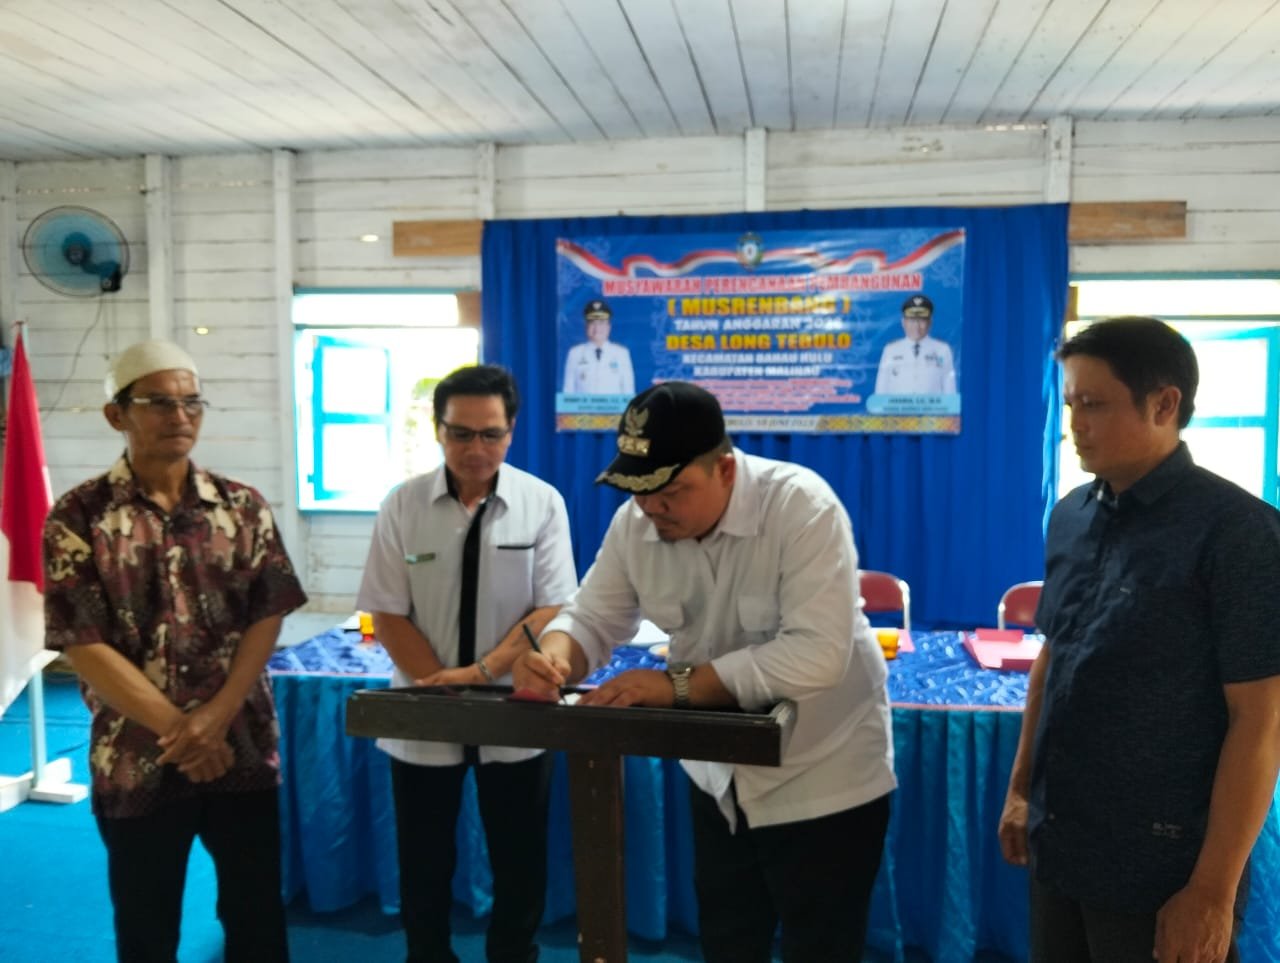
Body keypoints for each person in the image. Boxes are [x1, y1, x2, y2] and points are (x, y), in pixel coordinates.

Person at [512, 381, 895, 963]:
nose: (652, 508)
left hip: (824, 773)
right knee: (727, 943)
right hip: (718, 774)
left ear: (726, 469)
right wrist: (555, 656)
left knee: (822, 948)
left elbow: (817, 654)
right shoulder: (636, 523)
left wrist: (678, 687)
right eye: (640, 491)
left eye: (672, 490)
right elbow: (592, 616)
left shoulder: (800, 507)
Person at [998, 317, 1280, 962]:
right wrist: (1020, 791)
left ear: (1164, 404)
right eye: (1071, 405)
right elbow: (1053, 658)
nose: (1075, 424)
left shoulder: (1240, 534)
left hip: (1164, 866)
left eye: (1094, 405)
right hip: (1062, 841)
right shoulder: (1071, 514)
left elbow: (1260, 720)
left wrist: (1211, 891)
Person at [42, 339, 307, 963]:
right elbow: (83, 643)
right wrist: (186, 732)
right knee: (146, 924)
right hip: (137, 755)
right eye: (160, 402)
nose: (180, 416)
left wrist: (216, 718)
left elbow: (267, 614)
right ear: (117, 414)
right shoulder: (79, 516)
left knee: (256, 916)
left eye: (192, 403)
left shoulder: (241, 506)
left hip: (242, 743)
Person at [357, 364, 577, 963]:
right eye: (460, 433)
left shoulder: (542, 503)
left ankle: (513, 955)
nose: (475, 449)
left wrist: (479, 673)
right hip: (423, 706)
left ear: (511, 432)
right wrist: (439, 687)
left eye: (491, 434)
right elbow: (387, 611)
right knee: (423, 858)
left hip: (516, 705)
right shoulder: (403, 505)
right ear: (437, 430)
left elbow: (553, 606)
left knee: (520, 856)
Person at [874, 293, 957, 394]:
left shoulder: (942, 350)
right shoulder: (891, 350)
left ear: (930, 322)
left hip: (931, 405)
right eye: (912, 320)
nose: (916, 326)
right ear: (903, 323)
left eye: (922, 320)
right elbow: (881, 390)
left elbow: (950, 390)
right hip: (899, 405)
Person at [562, 298, 635, 395]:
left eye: (601, 323)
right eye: (592, 323)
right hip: (582, 406)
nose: (597, 328)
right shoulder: (575, 353)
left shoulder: (621, 354)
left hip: (614, 406)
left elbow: (628, 392)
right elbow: (568, 392)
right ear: (586, 326)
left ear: (609, 326)